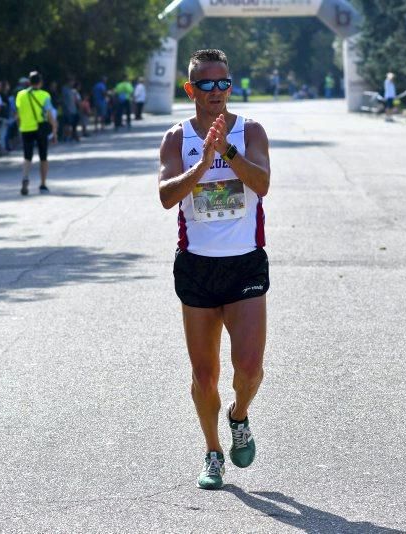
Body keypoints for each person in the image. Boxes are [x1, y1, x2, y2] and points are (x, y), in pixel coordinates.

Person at [157, 49, 271, 490]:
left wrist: (227, 151)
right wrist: (203, 164)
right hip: (197, 267)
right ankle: (212, 451)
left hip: (245, 263)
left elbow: (263, 184)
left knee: (249, 368)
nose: (217, 91)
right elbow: (167, 197)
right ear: (191, 90)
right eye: (206, 84)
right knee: (204, 376)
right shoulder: (176, 139)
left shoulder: (251, 131)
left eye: (224, 82)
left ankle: (239, 415)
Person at [15, 70, 57, 196]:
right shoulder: (45, 95)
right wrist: (54, 130)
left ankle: (25, 177)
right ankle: (43, 184)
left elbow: (17, 115)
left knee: (27, 156)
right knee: (43, 157)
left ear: (29, 82)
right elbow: (49, 115)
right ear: (40, 82)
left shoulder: (20, 95)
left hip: (25, 128)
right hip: (40, 128)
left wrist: (19, 127)